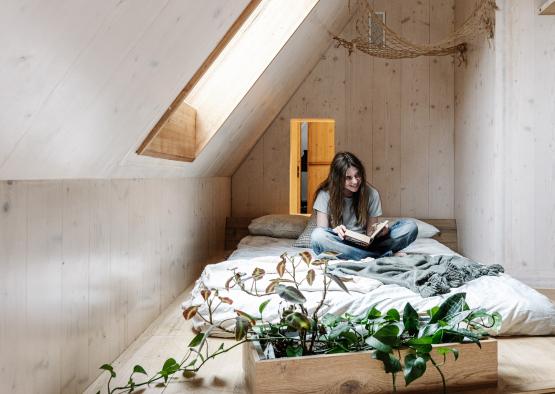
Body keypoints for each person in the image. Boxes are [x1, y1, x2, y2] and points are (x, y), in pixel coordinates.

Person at [310, 152, 417, 260]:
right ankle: (379, 255)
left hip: (367, 245)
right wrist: (335, 231)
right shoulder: (324, 195)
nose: (355, 181)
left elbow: (370, 234)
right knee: (317, 236)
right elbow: (322, 230)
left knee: (410, 227)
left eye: (357, 175)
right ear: (337, 178)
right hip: (341, 244)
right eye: (348, 178)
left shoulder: (372, 194)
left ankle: (361, 255)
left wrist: (380, 232)